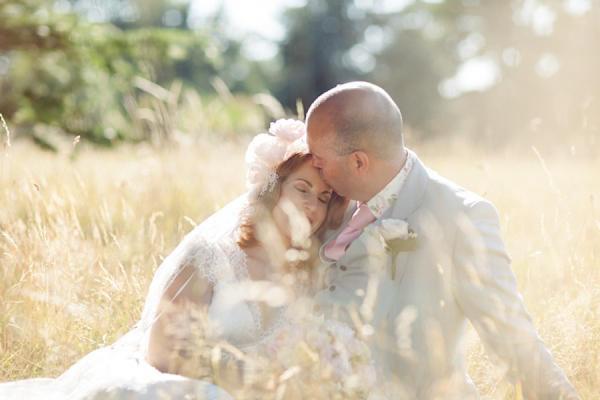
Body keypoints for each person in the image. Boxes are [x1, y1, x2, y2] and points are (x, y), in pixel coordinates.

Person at [0, 118, 347, 400]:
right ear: (273, 189)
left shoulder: (311, 271)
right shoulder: (211, 254)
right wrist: (243, 382)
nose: (312, 206)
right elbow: (162, 354)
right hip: (183, 386)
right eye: (302, 188)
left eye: (323, 197)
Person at [305, 81, 579, 399]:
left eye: (319, 158)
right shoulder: (324, 201)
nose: (314, 166)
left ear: (359, 162)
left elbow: (515, 343)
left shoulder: (463, 218)